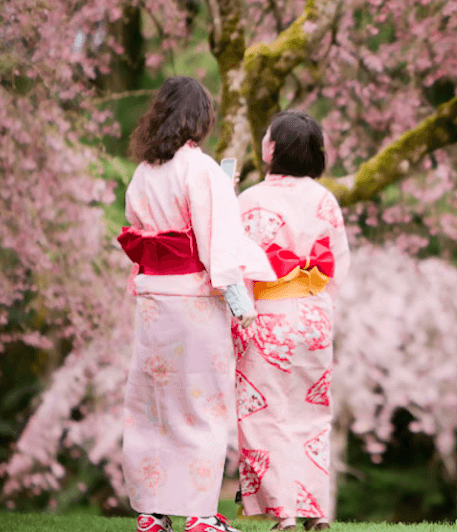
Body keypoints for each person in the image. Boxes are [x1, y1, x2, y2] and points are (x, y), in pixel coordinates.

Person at [118, 76, 277, 532]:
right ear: (200, 118)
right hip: (193, 301)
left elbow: (139, 229)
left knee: (154, 405)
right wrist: (241, 302)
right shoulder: (203, 169)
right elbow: (219, 244)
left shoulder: (144, 172)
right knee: (201, 404)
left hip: (154, 302)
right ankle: (202, 514)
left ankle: (151, 511)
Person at [233, 110, 350, 531]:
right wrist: (316, 304)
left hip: (266, 316)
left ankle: (282, 512)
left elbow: (237, 270)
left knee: (266, 415)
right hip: (313, 316)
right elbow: (339, 267)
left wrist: (239, 318)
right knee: (312, 416)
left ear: (271, 150)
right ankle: (314, 510)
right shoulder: (325, 200)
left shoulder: (249, 200)